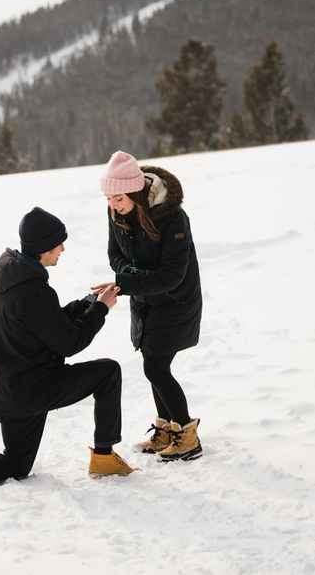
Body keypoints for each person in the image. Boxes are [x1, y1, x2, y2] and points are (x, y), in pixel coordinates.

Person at [0, 206, 138, 494]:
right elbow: (70, 342)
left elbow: (44, 324)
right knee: (108, 372)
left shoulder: (11, 277)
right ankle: (104, 458)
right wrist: (101, 309)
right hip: (36, 387)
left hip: (11, 388)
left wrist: (86, 303)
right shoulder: (34, 291)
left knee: (17, 463)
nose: (63, 249)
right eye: (58, 244)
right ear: (44, 248)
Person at [92, 151, 203, 461]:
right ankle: (168, 429)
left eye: (118, 196)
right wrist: (131, 277)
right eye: (109, 196)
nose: (113, 203)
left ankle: (187, 436)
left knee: (155, 366)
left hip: (176, 301)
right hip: (145, 299)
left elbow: (172, 275)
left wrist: (128, 281)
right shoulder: (116, 213)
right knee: (153, 364)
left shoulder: (172, 217)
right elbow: (115, 255)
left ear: (135, 190)